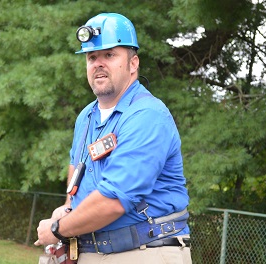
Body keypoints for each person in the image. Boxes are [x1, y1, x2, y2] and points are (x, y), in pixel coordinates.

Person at [35, 13, 192, 264]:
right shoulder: (87, 117)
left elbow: (113, 201)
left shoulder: (148, 115)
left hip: (146, 250)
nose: (98, 63)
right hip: (91, 251)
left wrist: (57, 229)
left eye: (109, 55)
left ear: (133, 64)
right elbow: (77, 173)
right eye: (92, 57)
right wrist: (66, 209)